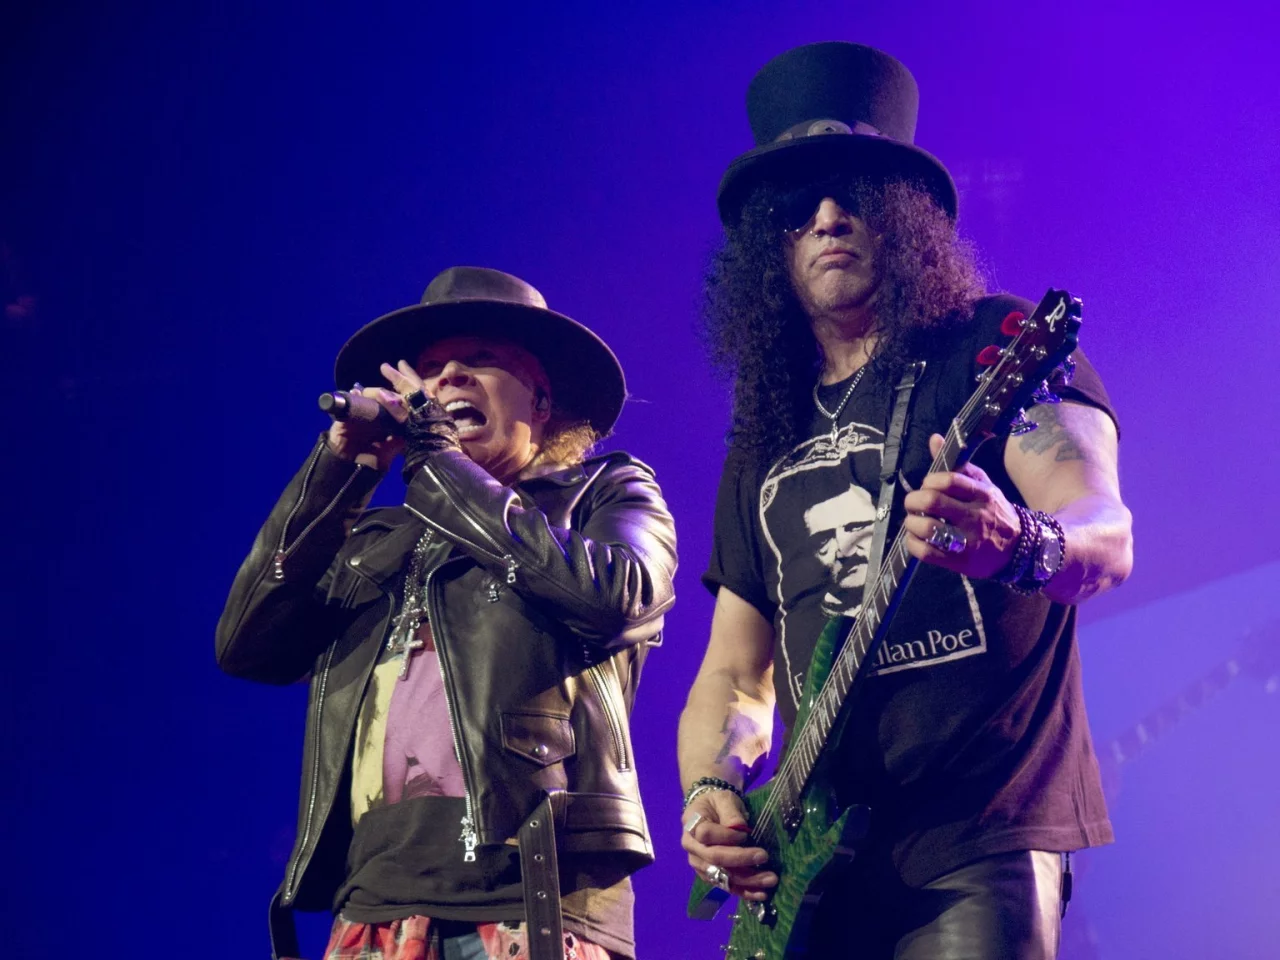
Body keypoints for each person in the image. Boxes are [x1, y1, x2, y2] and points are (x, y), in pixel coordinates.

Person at [677, 42, 1133, 959]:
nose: (828, 217)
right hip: (814, 866)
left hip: (981, 830)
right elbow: (734, 672)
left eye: (854, 194)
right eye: (799, 205)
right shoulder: (763, 434)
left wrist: (1016, 540)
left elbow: (1106, 532)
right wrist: (711, 790)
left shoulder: (993, 346)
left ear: (904, 214)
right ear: (769, 243)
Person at [216, 266, 677, 960]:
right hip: (374, 905)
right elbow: (248, 645)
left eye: (482, 360)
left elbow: (618, 598)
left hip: (533, 895)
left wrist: (436, 462)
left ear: (541, 402)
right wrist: (336, 477)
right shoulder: (375, 539)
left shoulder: (605, 493)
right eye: (431, 369)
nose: (450, 376)